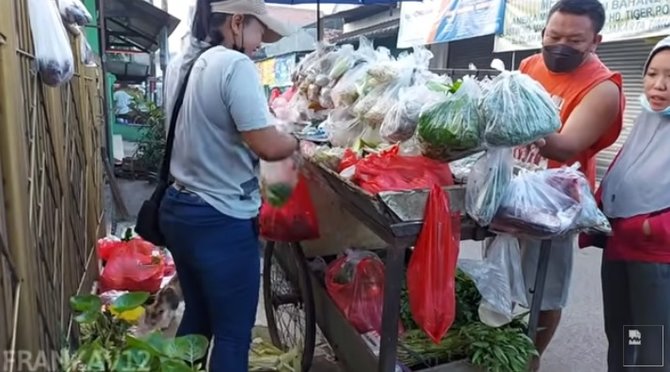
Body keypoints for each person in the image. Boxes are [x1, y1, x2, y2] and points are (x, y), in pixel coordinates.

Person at [157, 1, 297, 371]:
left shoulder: (181, 65)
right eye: (258, 33)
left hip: (179, 209)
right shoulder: (234, 65)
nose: (259, 44)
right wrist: (298, 141)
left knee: (198, 318)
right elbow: (266, 145)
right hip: (219, 218)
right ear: (237, 22)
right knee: (233, 335)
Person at [511, 0, 624, 369]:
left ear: (595, 42)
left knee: (544, 292)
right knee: (507, 278)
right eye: (553, 35)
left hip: (558, 204)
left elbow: (565, 144)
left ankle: (530, 361)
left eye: (574, 40)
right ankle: (504, 346)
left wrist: (504, 111)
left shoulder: (603, 88)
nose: (560, 45)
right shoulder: (529, 65)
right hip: (513, 189)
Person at [596, 36, 670, 372]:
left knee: (649, 349)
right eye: (652, 73)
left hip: (655, 261)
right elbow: (622, 180)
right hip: (620, 252)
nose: (659, 85)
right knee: (624, 339)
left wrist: (649, 227)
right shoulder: (647, 125)